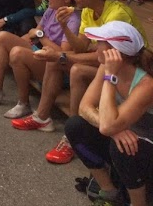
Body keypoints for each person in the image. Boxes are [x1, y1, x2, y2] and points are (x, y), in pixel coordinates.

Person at [18, 0, 150, 137]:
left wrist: (61, 55)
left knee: (76, 70)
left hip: (129, 68)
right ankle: (43, 118)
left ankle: (73, 134)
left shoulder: (117, 15)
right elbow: (81, 47)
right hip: (109, 64)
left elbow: (107, 56)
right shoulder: (88, 10)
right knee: (56, 62)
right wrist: (64, 26)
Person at [0, 0, 79, 163]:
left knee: (17, 53)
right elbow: (32, 34)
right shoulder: (51, 11)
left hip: (57, 68)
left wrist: (39, 37)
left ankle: (24, 103)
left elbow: (61, 53)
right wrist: (17, 43)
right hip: (41, 54)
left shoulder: (73, 19)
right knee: (2, 37)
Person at [65, 21, 153, 205]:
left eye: (100, 43)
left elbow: (107, 126)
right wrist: (115, 131)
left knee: (124, 147)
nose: (95, 46)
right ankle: (110, 192)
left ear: (115, 52)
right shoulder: (106, 69)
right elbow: (84, 107)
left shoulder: (147, 85)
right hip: (128, 142)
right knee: (75, 126)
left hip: (145, 152)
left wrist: (110, 77)